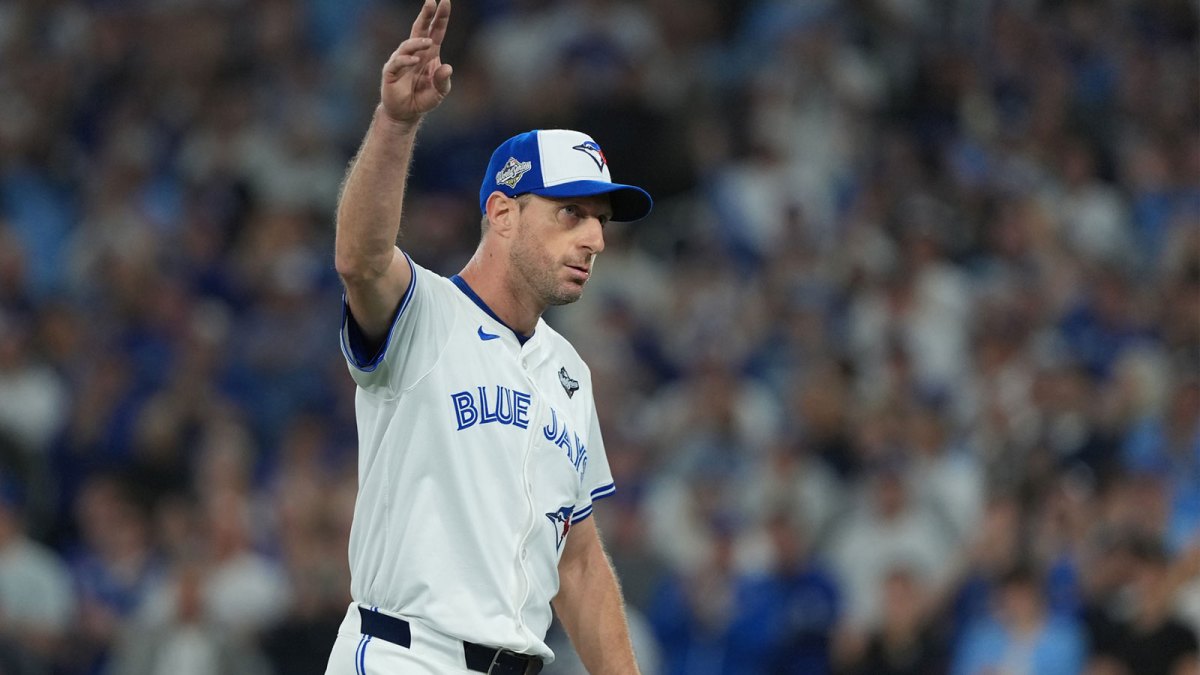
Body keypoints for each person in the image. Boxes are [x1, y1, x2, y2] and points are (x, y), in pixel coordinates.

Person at [324, 1, 652, 674]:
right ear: (502, 212)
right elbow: (360, 259)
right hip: (404, 653)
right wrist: (396, 121)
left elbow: (580, 565)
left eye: (599, 219)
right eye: (570, 213)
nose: (594, 238)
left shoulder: (571, 372)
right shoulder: (425, 313)